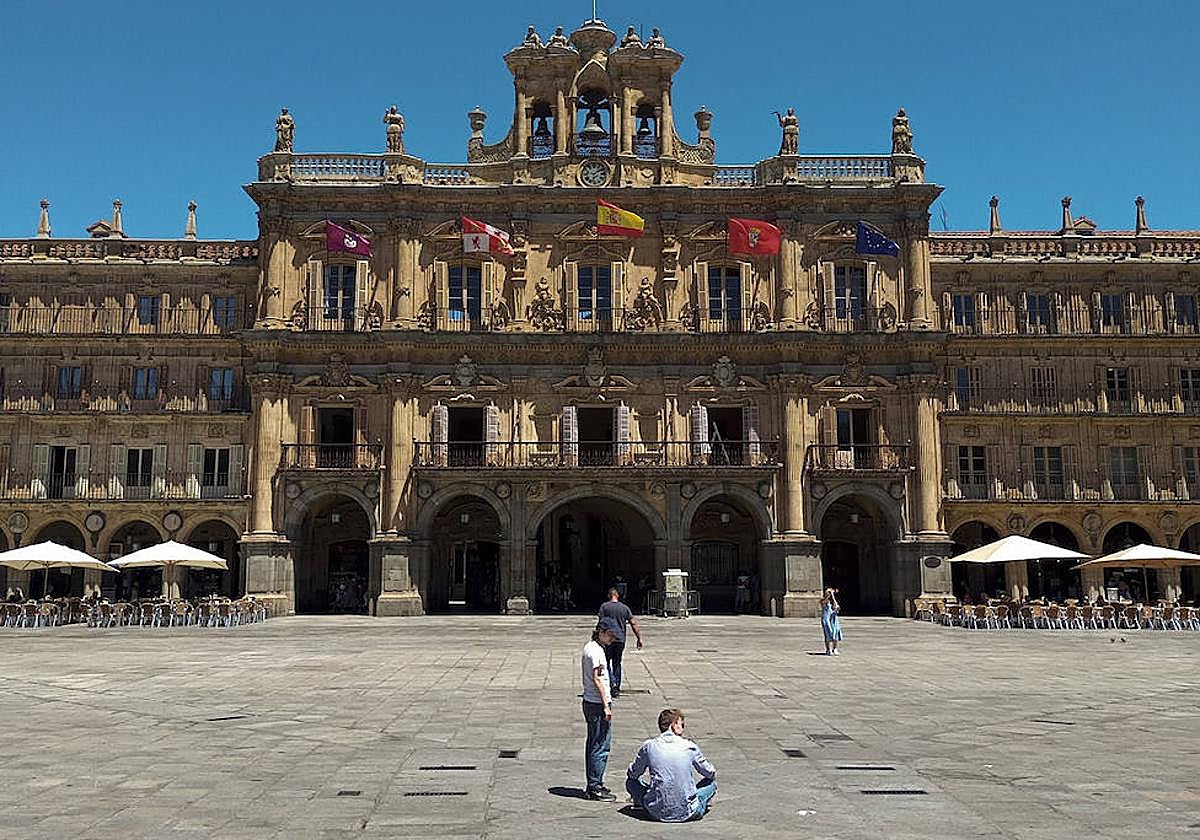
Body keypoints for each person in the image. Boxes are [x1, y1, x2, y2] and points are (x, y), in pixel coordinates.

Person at [626, 708, 717, 822]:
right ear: (673, 725)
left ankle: (647, 802)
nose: (683, 728)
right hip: (688, 812)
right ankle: (693, 804)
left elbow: (633, 774)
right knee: (711, 784)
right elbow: (710, 773)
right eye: (681, 724)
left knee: (631, 782)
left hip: (655, 812)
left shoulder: (649, 746)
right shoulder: (689, 746)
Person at [581, 616, 621, 801]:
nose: (612, 639)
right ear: (601, 632)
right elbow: (597, 679)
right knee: (600, 745)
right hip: (597, 703)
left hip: (591, 701)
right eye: (611, 636)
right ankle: (595, 786)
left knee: (594, 743)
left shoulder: (591, 648)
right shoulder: (596, 652)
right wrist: (606, 705)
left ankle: (595, 783)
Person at [598, 588, 643, 698]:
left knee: (606, 661)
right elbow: (633, 623)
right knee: (617, 663)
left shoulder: (604, 607)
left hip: (607, 639)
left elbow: (600, 623)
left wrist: (597, 638)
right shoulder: (624, 608)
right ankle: (616, 687)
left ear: (609, 596)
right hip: (620, 639)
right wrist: (639, 638)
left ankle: (612, 683)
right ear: (617, 596)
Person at [821, 588, 842, 655]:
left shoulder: (833, 601)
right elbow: (824, 602)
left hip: (834, 619)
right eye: (827, 592)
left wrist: (833, 596)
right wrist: (829, 594)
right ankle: (828, 649)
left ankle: (834, 648)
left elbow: (837, 607)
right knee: (828, 634)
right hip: (826, 620)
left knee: (835, 634)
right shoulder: (823, 600)